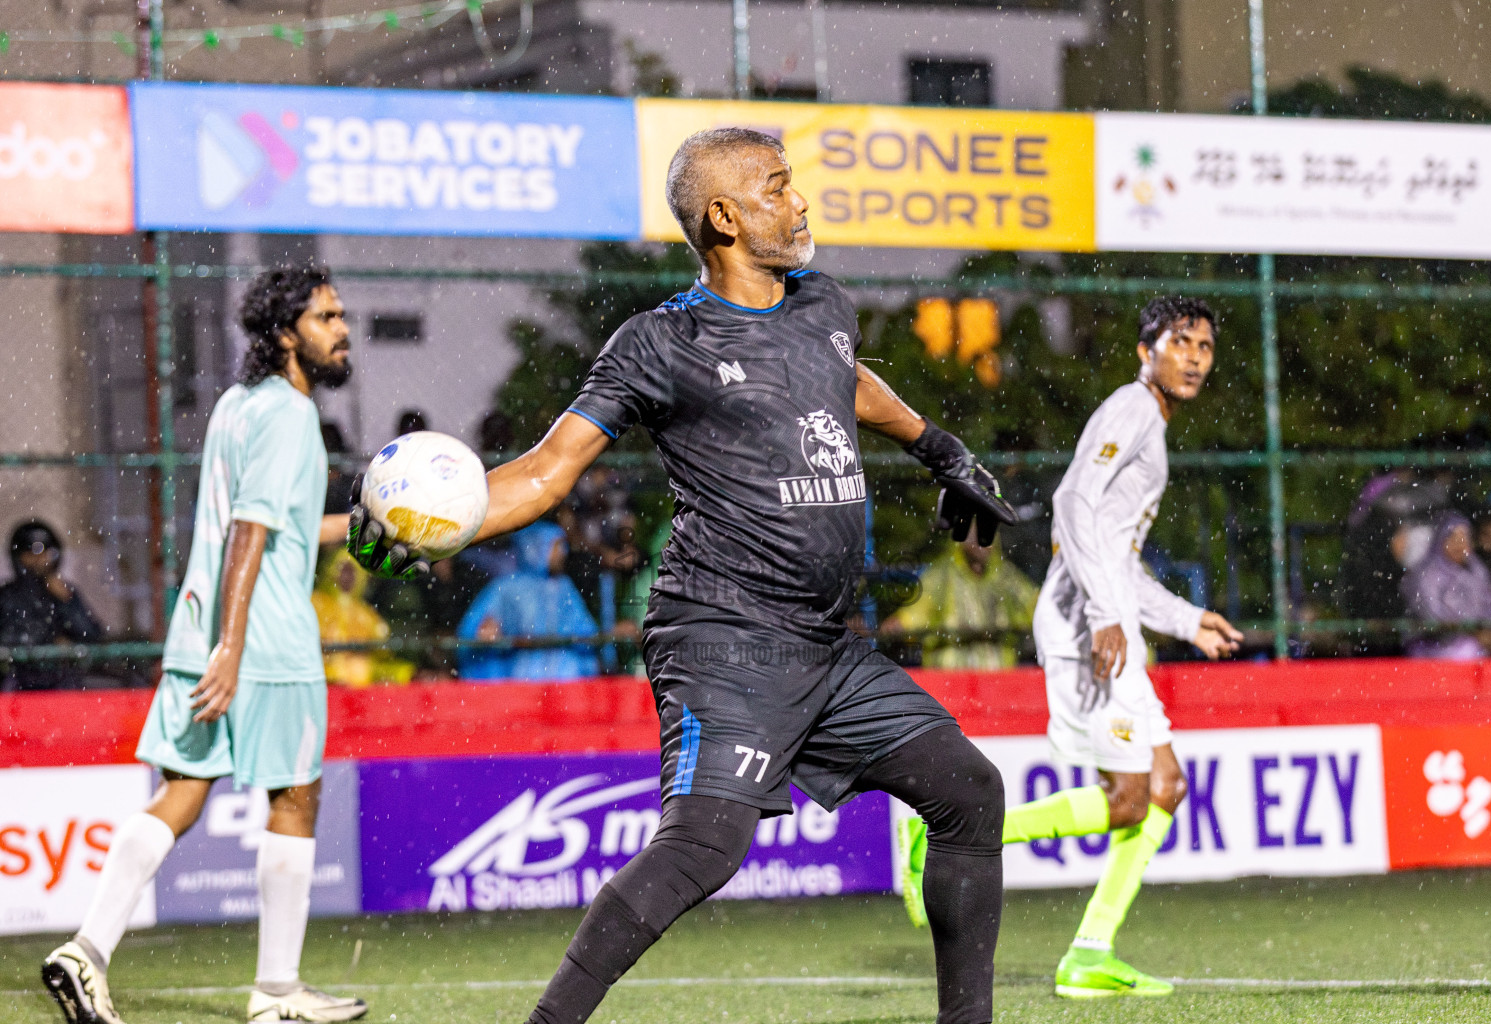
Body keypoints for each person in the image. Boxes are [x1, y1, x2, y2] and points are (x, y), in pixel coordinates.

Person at [350, 127, 1017, 1024]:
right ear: (726, 216)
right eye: (778, 187)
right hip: (724, 639)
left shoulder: (823, 305)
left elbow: (846, 379)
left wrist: (940, 449)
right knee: (705, 846)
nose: (800, 201)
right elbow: (549, 471)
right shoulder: (661, 342)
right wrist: (445, 526)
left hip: (826, 648)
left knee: (970, 793)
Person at [42, 265, 365, 1024]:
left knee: (182, 792)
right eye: (326, 317)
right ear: (287, 334)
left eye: (341, 314)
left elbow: (266, 524)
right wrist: (234, 646)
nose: (342, 328)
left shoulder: (237, 404)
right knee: (295, 794)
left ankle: (85, 950)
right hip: (260, 639)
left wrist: (359, 527)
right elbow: (251, 531)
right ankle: (277, 992)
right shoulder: (288, 413)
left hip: (203, 624)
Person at [898, 296, 1244, 999]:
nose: (1195, 357)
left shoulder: (1150, 421)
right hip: (1090, 630)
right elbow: (1071, 502)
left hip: (1106, 618)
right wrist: (1102, 613)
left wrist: (1186, 619)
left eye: (1205, 346)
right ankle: (944, 839)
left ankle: (1090, 953)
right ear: (1146, 350)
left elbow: (1118, 560)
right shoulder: (1134, 406)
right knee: (1126, 800)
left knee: (1165, 788)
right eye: (1181, 342)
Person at [880, 521, 1039, 670]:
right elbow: (915, 615)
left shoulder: (1008, 579)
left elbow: (1038, 609)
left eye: (985, 536)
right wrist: (898, 625)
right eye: (972, 537)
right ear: (960, 540)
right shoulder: (940, 577)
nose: (979, 544)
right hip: (949, 680)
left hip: (999, 681)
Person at [456, 521, 600, 682]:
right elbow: (471, 632)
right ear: (534, 547)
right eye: (555, 546)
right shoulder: (505, 588)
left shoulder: (565, 588)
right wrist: (484, 632)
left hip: (566, 684)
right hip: (520, 684)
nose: (562, 553)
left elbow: (587, 631)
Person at [0, 520, 104, 691]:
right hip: (16, 682)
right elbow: (11, 640)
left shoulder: (63, 592)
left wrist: (67, 601)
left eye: (48, 553)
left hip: (58, 682)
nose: (42, 560)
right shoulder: (7, 595)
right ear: (20, 556)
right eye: (33, 553)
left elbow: (91, 634)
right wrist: (46, 641)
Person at [1402, 513, 1491, 660]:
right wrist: (1472, 632)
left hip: (1476, 642)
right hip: (1432, 647)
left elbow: (1489, 606)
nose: (1459, 544)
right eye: (1453, 537)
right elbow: (1431, 616)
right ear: (1440, 540)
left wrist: (1489, 631)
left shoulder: (1478, 570)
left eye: (1463, 538)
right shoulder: (1426, 574)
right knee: (1468, 652)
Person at [311, 547, 414, 687]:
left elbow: (383, 648)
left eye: (352, 571)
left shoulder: (365, 612)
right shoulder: (315, 604)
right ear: (330, 571)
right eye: (343, 570)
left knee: (405, 673)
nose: (347, 576)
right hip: (323, 677)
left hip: (361, 681)